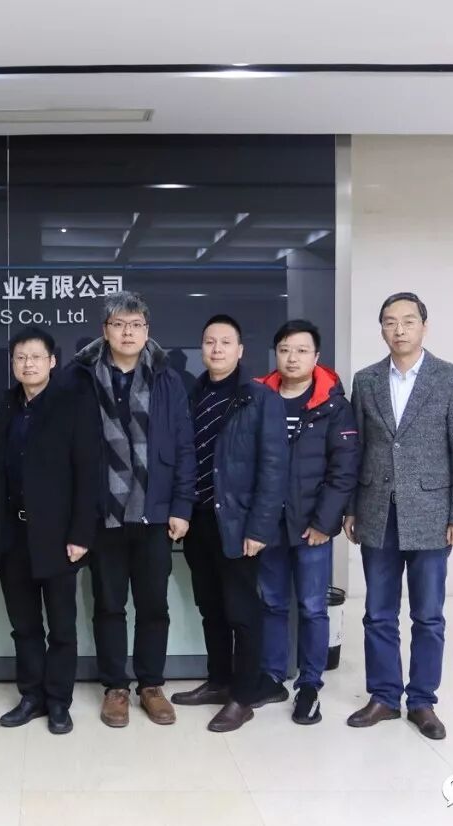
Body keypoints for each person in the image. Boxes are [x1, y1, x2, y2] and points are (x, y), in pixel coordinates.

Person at [344, 292, 453, 740]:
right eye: (389, 322)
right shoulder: (366, 380)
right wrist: (351, 507)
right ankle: (384, 696)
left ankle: (422, 701)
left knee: (428, 616)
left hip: (431, 513)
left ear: (424, 325)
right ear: (381, 329)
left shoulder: (452, 379)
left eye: (407, 321)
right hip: (376, 510)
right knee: (378, 613)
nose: (398, 329)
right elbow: (356, 449)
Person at [66, 292, 195, 728]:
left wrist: (181, 506)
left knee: (154, 605)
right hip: (103, 513)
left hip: (153, 513)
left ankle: (151, 685)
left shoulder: (167, 378)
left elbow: (183, 447)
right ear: (105, 330)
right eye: (119, 324)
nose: (128, 332)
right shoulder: (81, 377)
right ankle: (116, 687)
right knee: (108, 605)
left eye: (136, 325)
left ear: (147, 331)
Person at [169, 314, 288, 732]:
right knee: (211, 608)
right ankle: (219, 681)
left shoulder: (260, 399)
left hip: (238, 523)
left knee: (242, 611)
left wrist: (259, 528)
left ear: (240, 350)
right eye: (209, 342)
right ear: (201, 349)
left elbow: (274, 469)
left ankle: (243, 696)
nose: (216, 349)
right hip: (199, 519)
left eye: (225, 342)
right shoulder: (192, 395)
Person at [0, 327, 100, 735]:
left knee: (61, 627)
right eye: (20, 357)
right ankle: (31, 696)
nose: (28, 364)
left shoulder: (73, 403)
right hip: (14, 536)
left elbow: (88, 473)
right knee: (24, 626)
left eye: (36, 357)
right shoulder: (5, 405)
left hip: (58, 538)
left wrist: (81, 534)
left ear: (52, 362)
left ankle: (58, 701)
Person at [255, 319, 360, 725]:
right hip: (269, 525)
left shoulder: (333, 405)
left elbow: (343, 469)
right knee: (272, 603)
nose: (292, 358)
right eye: (284, 350)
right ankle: (272, 676)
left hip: (312, 527)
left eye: (301, 350)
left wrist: (324, 523)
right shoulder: (260, 398)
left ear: (316, 357)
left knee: (314, 607)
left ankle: (310, 685)